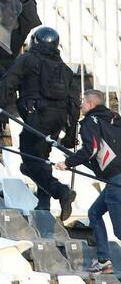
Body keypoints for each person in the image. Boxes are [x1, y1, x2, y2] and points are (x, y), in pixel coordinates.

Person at [0, 26, 79, 220]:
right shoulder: (65, 69)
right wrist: (71, 133)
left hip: (36, 117)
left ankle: (61, 192)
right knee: (41, 158)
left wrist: (0, 112)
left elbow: (8, 82)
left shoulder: (28, 60)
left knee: (30, 163)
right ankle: (44, 203)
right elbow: (74, 102)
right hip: (57, 119)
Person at [55, 89, 121, 274]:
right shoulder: (115, 119)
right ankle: (103, 261)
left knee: (119, 231)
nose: (81, 104)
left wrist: (67, 163)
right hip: (113, 181)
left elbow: (91, 149)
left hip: (116, 181)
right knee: (94, 212)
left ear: (91, 104)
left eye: (83, 101)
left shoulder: (90, 122)